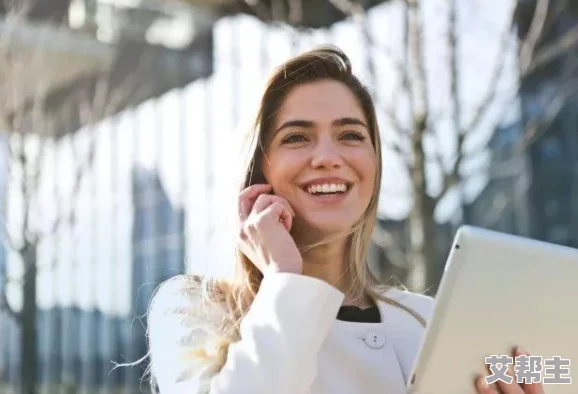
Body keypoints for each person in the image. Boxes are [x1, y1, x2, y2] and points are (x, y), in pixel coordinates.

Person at [146, 46, 544, 394]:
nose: (327, 156)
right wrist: (285, 279)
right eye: (297, 137)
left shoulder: (428, 321)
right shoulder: (193, 310)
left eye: (351, 135)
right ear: (258, 170)